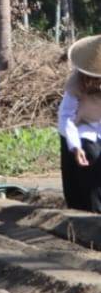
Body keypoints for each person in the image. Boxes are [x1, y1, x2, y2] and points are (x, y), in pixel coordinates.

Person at [59, 35, 101, 213]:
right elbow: (66, 117)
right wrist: (75, 147)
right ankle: (91, 214)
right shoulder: (76, 84)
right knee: (90, 157)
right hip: (78, 127)